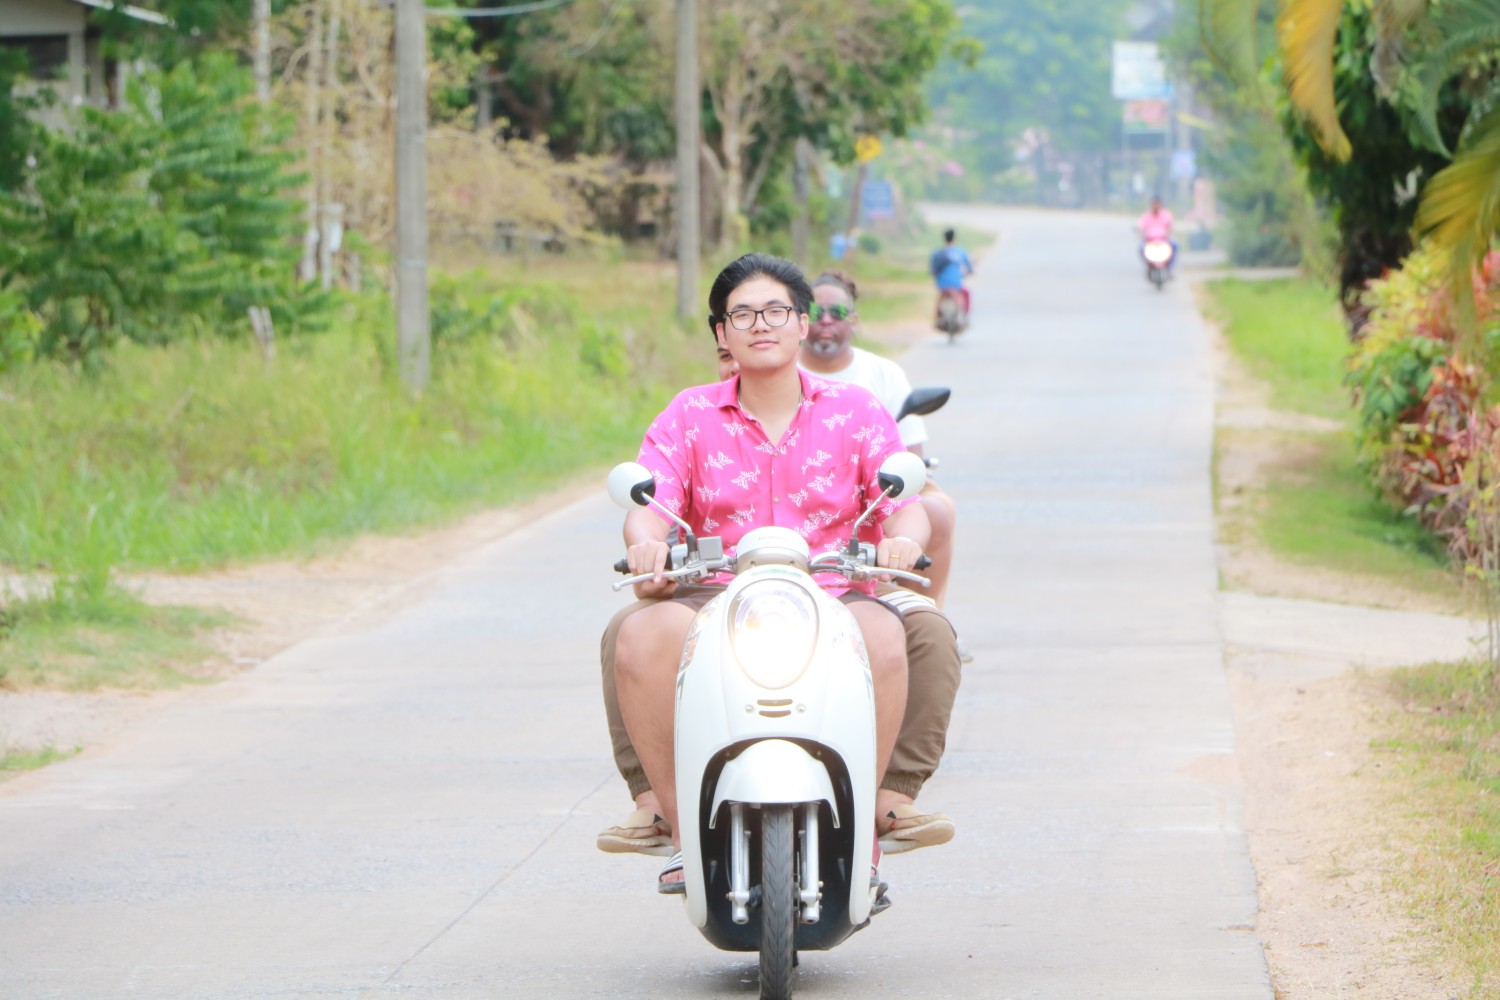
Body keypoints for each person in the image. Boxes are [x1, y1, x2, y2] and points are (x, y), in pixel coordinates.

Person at [609, 253, 934, 891]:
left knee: (888, 635)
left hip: (833, 588)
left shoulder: (856, 409)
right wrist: (646, 546)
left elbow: (906, 506)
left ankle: (867, 827)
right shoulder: (688, 414)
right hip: (715, 591)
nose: (761, 323)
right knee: (638, 635)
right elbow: (649, 505)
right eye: (742, 314)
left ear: (802, 323)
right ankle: (679, 829)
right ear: (721, 333)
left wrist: (901, 541)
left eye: (776, 310)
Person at [928, 228, 972, 321]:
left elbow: (932, 269)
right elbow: (969, 267)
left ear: (944, 238)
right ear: (954, 238)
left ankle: (937, 317)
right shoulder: (960, 252)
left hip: (942, 284)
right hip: (956, 283)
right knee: (964, 294)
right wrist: (968, 273)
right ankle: (965, 316)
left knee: (940, 297)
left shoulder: (938, 252)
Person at [1137, 197, 1177, 272]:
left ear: (1160, 205)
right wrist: (1140, 232)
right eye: (1154, 204)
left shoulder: (1166, 215)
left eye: (1157, 204)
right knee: (1140, 247)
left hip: (1163, 240)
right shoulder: (1146, 216)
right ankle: (1148, 264)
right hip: (1150, 240)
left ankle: (1169, 266)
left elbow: (1171, 226)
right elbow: (1141, 227)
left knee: (1175, 245)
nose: (1155, 206)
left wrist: (1170, 231)